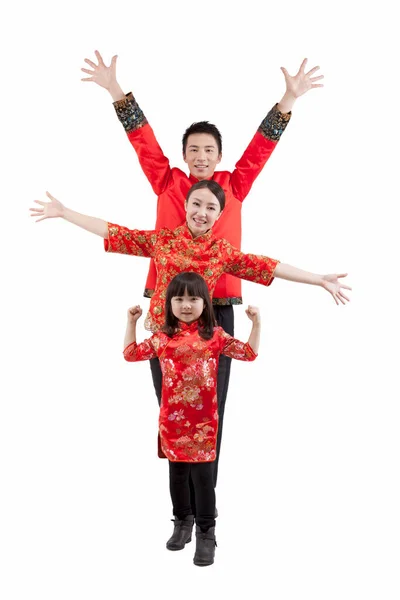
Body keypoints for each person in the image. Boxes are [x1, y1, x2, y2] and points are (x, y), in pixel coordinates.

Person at [30, 180, 351, 515]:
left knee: (207, 423)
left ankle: (205, 517)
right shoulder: (164, 241)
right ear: (185, 206)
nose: (202, 212)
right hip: (163, 345)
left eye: (211, 208)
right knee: (172, 423)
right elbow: (115, 232)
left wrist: (317, 279)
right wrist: (65, 213)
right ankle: (183, 515)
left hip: (205, 348)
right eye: (196, 204)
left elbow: (267, 266)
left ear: (218, 215)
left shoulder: (220, 252)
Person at [80, 51, 325, 487]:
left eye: (208, 150)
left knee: (213, 408)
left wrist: (288, 99)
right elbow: (143, 143)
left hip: (219, 306)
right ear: (184, 156)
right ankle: (182, 511)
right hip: (166, 308)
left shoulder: (233, 186)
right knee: (170, 405)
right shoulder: (168, 182)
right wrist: (116, 91)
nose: (200, 157)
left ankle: (206, 510)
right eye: (193, 150)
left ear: (218, 156)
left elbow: (259, 152)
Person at [123, 272, 261, 566]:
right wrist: (131, 322)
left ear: (205, 302)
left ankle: (206, 533)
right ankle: (181, 523)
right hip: (173, 422)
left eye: (193, 298)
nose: (186, 305)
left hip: (203, 424)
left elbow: (248, 354)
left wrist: (256, 324)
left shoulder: (215, 336)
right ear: (169, 302)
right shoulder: (162, 338)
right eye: (179, 298)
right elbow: (131, 353)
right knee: (177, 476)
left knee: (202, 479)